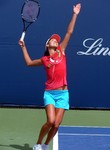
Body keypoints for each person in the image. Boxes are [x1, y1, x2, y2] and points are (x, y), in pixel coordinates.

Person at [18, 3, 81, 150]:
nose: (55, 40)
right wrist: (23, 47)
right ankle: (38, 143)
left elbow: (69, 32)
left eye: (56, 39)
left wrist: (75, 14)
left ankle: (46, 145)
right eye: (52, 39)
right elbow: (28, 63)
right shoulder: (44, 60)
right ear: (47, 45)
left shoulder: (61, 51)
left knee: (57, 124)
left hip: (64, 93)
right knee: (51, 121)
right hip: (50, 94)